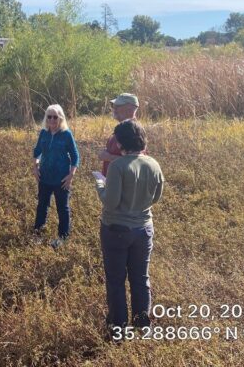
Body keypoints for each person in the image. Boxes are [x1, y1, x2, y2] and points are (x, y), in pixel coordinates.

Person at [95, 120, 164, 333]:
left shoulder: (118, 166)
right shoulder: (153, 164)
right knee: (141, 278)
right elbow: (156, 197)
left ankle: (118, 326)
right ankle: (143, 324)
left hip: (116, 229)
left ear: (121, 142)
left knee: (116, 280)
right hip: (144, 229)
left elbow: (110, 201)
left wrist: (99, 182)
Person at [31, 104, 80, 248]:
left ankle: (62, 238)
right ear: (46, 118)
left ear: (60, 118)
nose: (52, 120)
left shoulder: (66, 134)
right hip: (44, 177)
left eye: (55, 117)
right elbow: (36, 151)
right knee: (42, 206)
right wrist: (35, 168)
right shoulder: (44, 133)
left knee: (62, 208)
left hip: (61, 179)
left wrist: (71, 175)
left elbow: (75, 156)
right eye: (49, 116)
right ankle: (38, 234)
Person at [99, 93, 140, 176]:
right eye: (114, 106)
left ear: (129, 110)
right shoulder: (122, 127)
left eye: (117, 106)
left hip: (123, 184)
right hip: (112, 182)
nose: (114, 109)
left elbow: (136, 161)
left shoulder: (134, 131)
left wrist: (108, 157)